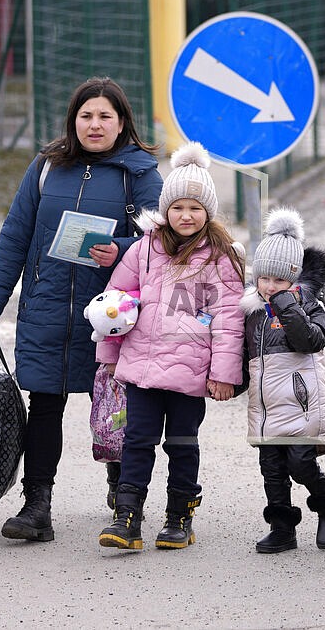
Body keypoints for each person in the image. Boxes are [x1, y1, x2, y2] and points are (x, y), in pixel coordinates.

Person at [0, 77, 163, 543]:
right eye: (85, 116)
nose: (94, 125)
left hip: (112, 313)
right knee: (44, 405)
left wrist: (119, 248)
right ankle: (36, 505)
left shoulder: (140, 174)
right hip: (47, 305)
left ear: (122, 123)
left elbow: (160, 245)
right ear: (72, 120)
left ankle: (124, 497)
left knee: (116, 406)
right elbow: (15, 235)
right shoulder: (46, 167)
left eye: (104, 116)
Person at [96, 141, 245, 551]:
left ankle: (179, 515)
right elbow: (115, 305)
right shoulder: (144, 250)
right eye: (178, 207)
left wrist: (223, 375)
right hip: (141, 370)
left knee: (182, 444)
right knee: (136, 441)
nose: (186, 215)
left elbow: (230, 323)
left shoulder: (221, 259)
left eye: (195, 208)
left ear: (208, 213)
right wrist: (109, 357)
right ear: (165, 210)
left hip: (191, 374)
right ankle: (127, 517)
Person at [239, 207, 325, 554]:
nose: (270, 287)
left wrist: (287, 305)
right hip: (267, 405)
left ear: (295, 280)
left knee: (300, 462)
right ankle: (282, 527)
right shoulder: (252, 310)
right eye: (264, 279)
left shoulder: (311, 304)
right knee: (271, 468)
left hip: (301, 401)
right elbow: (245, 355)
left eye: (280, 281)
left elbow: (311, 341)